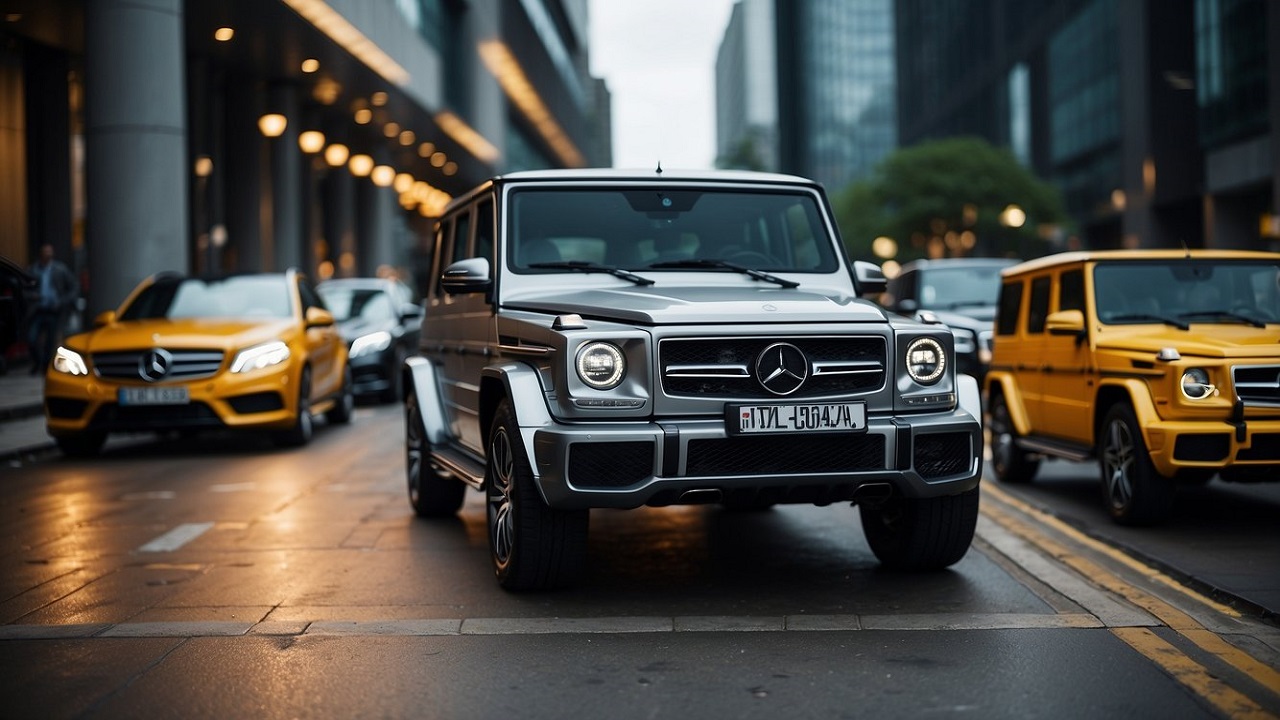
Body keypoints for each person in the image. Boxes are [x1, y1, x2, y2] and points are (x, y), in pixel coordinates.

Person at [26, 244, 79, 374]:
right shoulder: (33, 270)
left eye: (50, 252)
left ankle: (45, 365)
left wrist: (63, 301)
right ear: (41, 254)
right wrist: (32, 296)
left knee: (50, 341)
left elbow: (74, 287)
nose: (48, 254)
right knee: (31, 338)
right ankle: (37, 362)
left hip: (54, 311)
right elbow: (24, 289)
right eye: (45, 252)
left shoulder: (60, 269)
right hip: (38, 310)